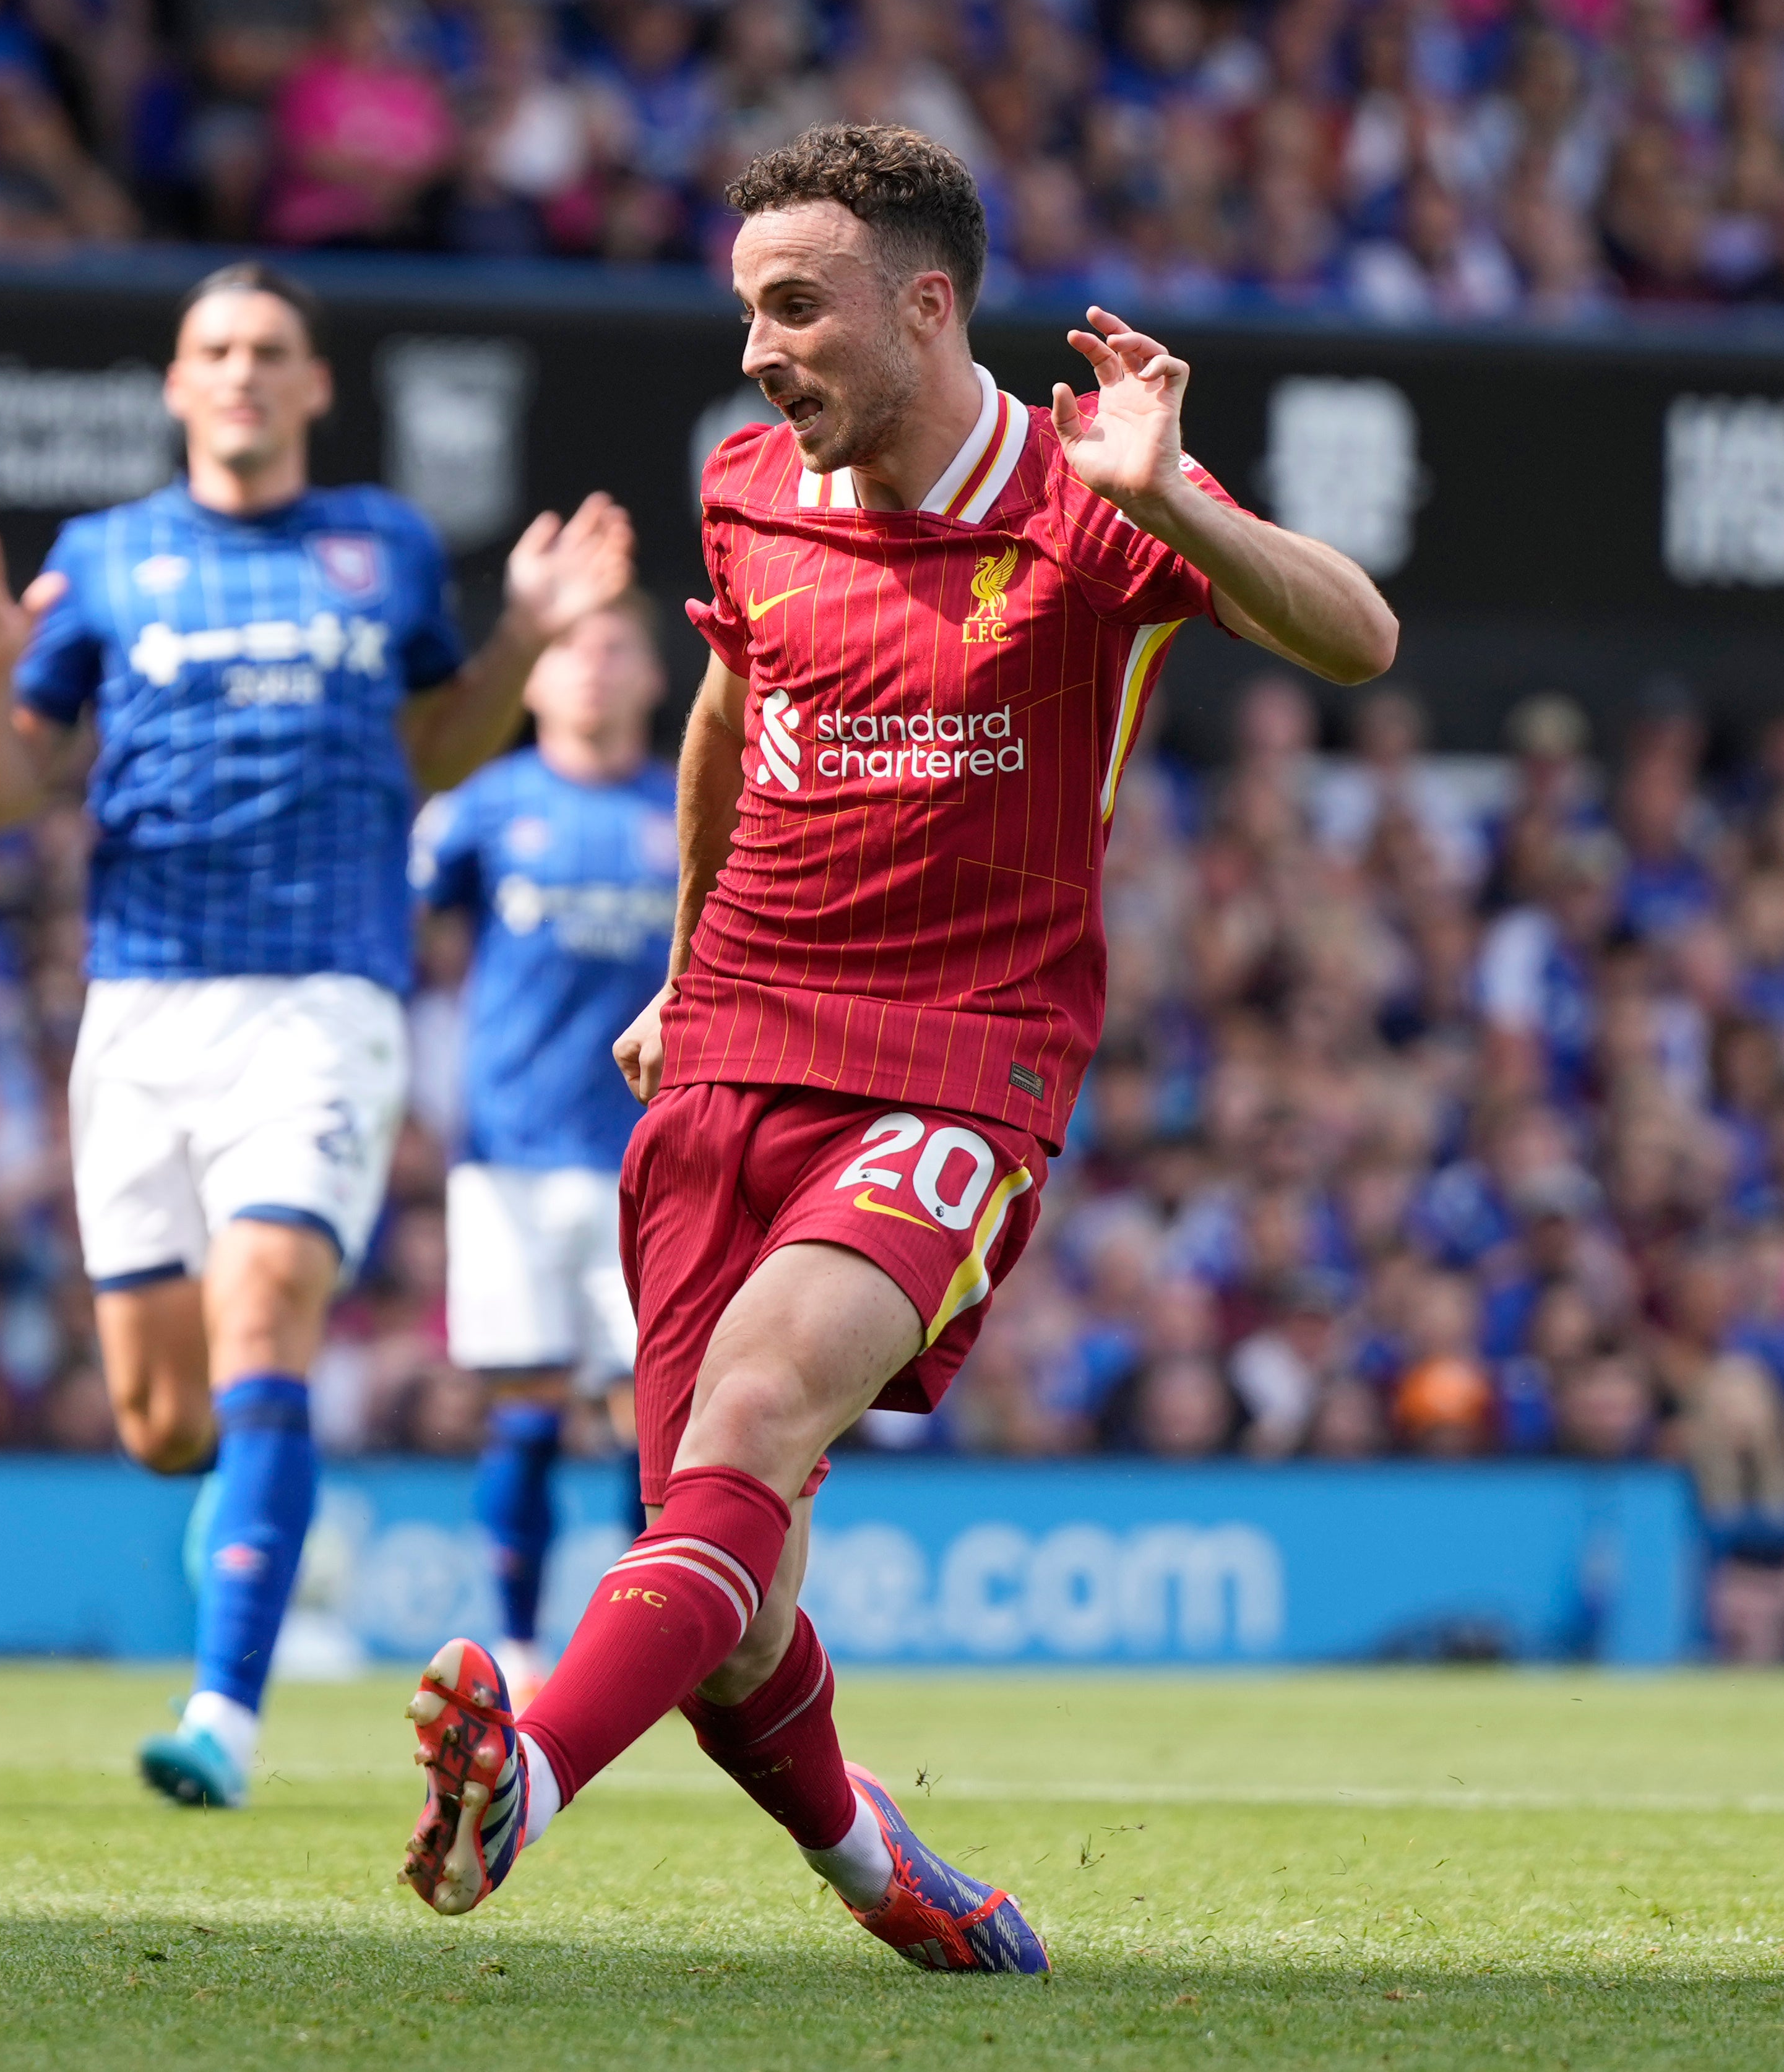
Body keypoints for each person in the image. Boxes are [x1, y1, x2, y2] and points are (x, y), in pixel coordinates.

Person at [395, 124, 1397, 1965]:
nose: (759, 348)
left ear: (926, 307)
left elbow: (1358, 637)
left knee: (759, 1416)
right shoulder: (749, 484)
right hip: (726, 1047)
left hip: (960, 1055)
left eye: (796, 308)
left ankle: (525, 1775)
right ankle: (886, 1873)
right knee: (725, 1581)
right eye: (746, 310)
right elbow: (724, 713)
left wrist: (1178, 500)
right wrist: (682, 961)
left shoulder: (1091, 495)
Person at [0, 261, 631, 1808]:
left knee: (266, 1310)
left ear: (315, 387)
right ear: (177, 386)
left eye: (271, 352)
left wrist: (518, 636)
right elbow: (1, 788)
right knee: (166, 1419)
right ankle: (240, 1504)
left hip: (323, 991)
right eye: (215, 350)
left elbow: (440, 743)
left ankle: (224, 1711)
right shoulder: (107, 559)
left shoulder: (376, 547)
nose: (242, 373)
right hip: (144, 1004)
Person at [412, 590, 674, 1707]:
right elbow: (405, 927)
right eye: (570, 652)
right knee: (523, 1402)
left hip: (651, 1161)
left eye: (616, 650)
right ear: (531, 680)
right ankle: (519, 1654)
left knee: (642, 1414)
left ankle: (631, 1660)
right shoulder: (484, 807)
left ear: (655, 679)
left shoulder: (689, 806)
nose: (593, 672)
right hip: (509, 1152)